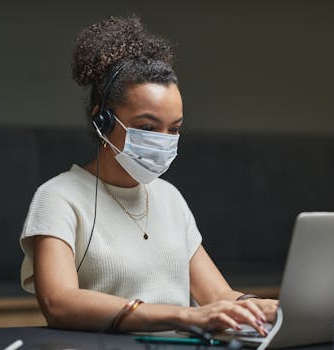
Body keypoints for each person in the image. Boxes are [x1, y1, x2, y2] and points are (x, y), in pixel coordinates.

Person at [19, 14, 278, 334]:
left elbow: (216, 295)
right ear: (103, 121)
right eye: (147, 127)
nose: (164, 140)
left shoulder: (169, 197)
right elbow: (59, 302)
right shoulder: (58, 197)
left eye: (175, 129)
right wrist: (184, 316)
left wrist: (264, 306)